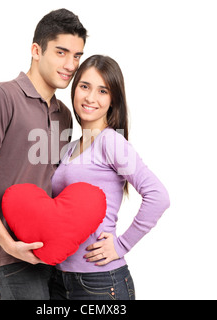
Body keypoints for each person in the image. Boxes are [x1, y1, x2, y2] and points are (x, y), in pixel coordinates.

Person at [0, 9, 87, 300]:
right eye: (61, 52)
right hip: (11, 259)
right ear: (36, 50)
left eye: (77, 56)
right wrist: (8, 244)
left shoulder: (64, 115)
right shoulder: (0, 97)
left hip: (54, 254)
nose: (70, 65)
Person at [50, 55, 170, 300]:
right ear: (74, 90)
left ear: (113, 100)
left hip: (100, 283)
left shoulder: (111, 141)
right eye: (84, 87)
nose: (90, 98)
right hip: (60, 279)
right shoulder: (70, 148)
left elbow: (158, 196)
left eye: (102, 91)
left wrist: (121, 245)